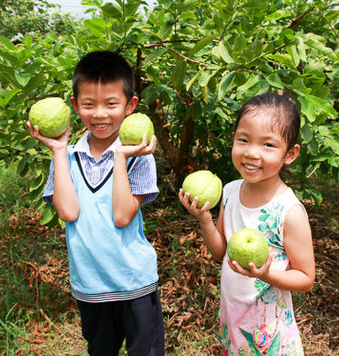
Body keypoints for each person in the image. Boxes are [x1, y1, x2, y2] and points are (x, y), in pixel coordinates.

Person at [27, 50, 165, 356]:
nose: (100, 114)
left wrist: (120, 156)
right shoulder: (69, 158)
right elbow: (68, 212)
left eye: (111, 104)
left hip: (135, 283)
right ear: (75, 106)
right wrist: (60, 150)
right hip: (90, 287)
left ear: (130, 106)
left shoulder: (139, 156)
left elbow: (121, 215)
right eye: (89, 105)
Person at [179, 92, 315, 355]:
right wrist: (205, 219)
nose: (252, 153)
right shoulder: (229, 192)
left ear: (290, 154)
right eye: (244, 140)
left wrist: (265, 275)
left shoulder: (289, 211)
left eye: (268, 145)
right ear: (233, 139)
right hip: (234, 318)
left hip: (270, 332)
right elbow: (221, 252)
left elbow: (306, 278)